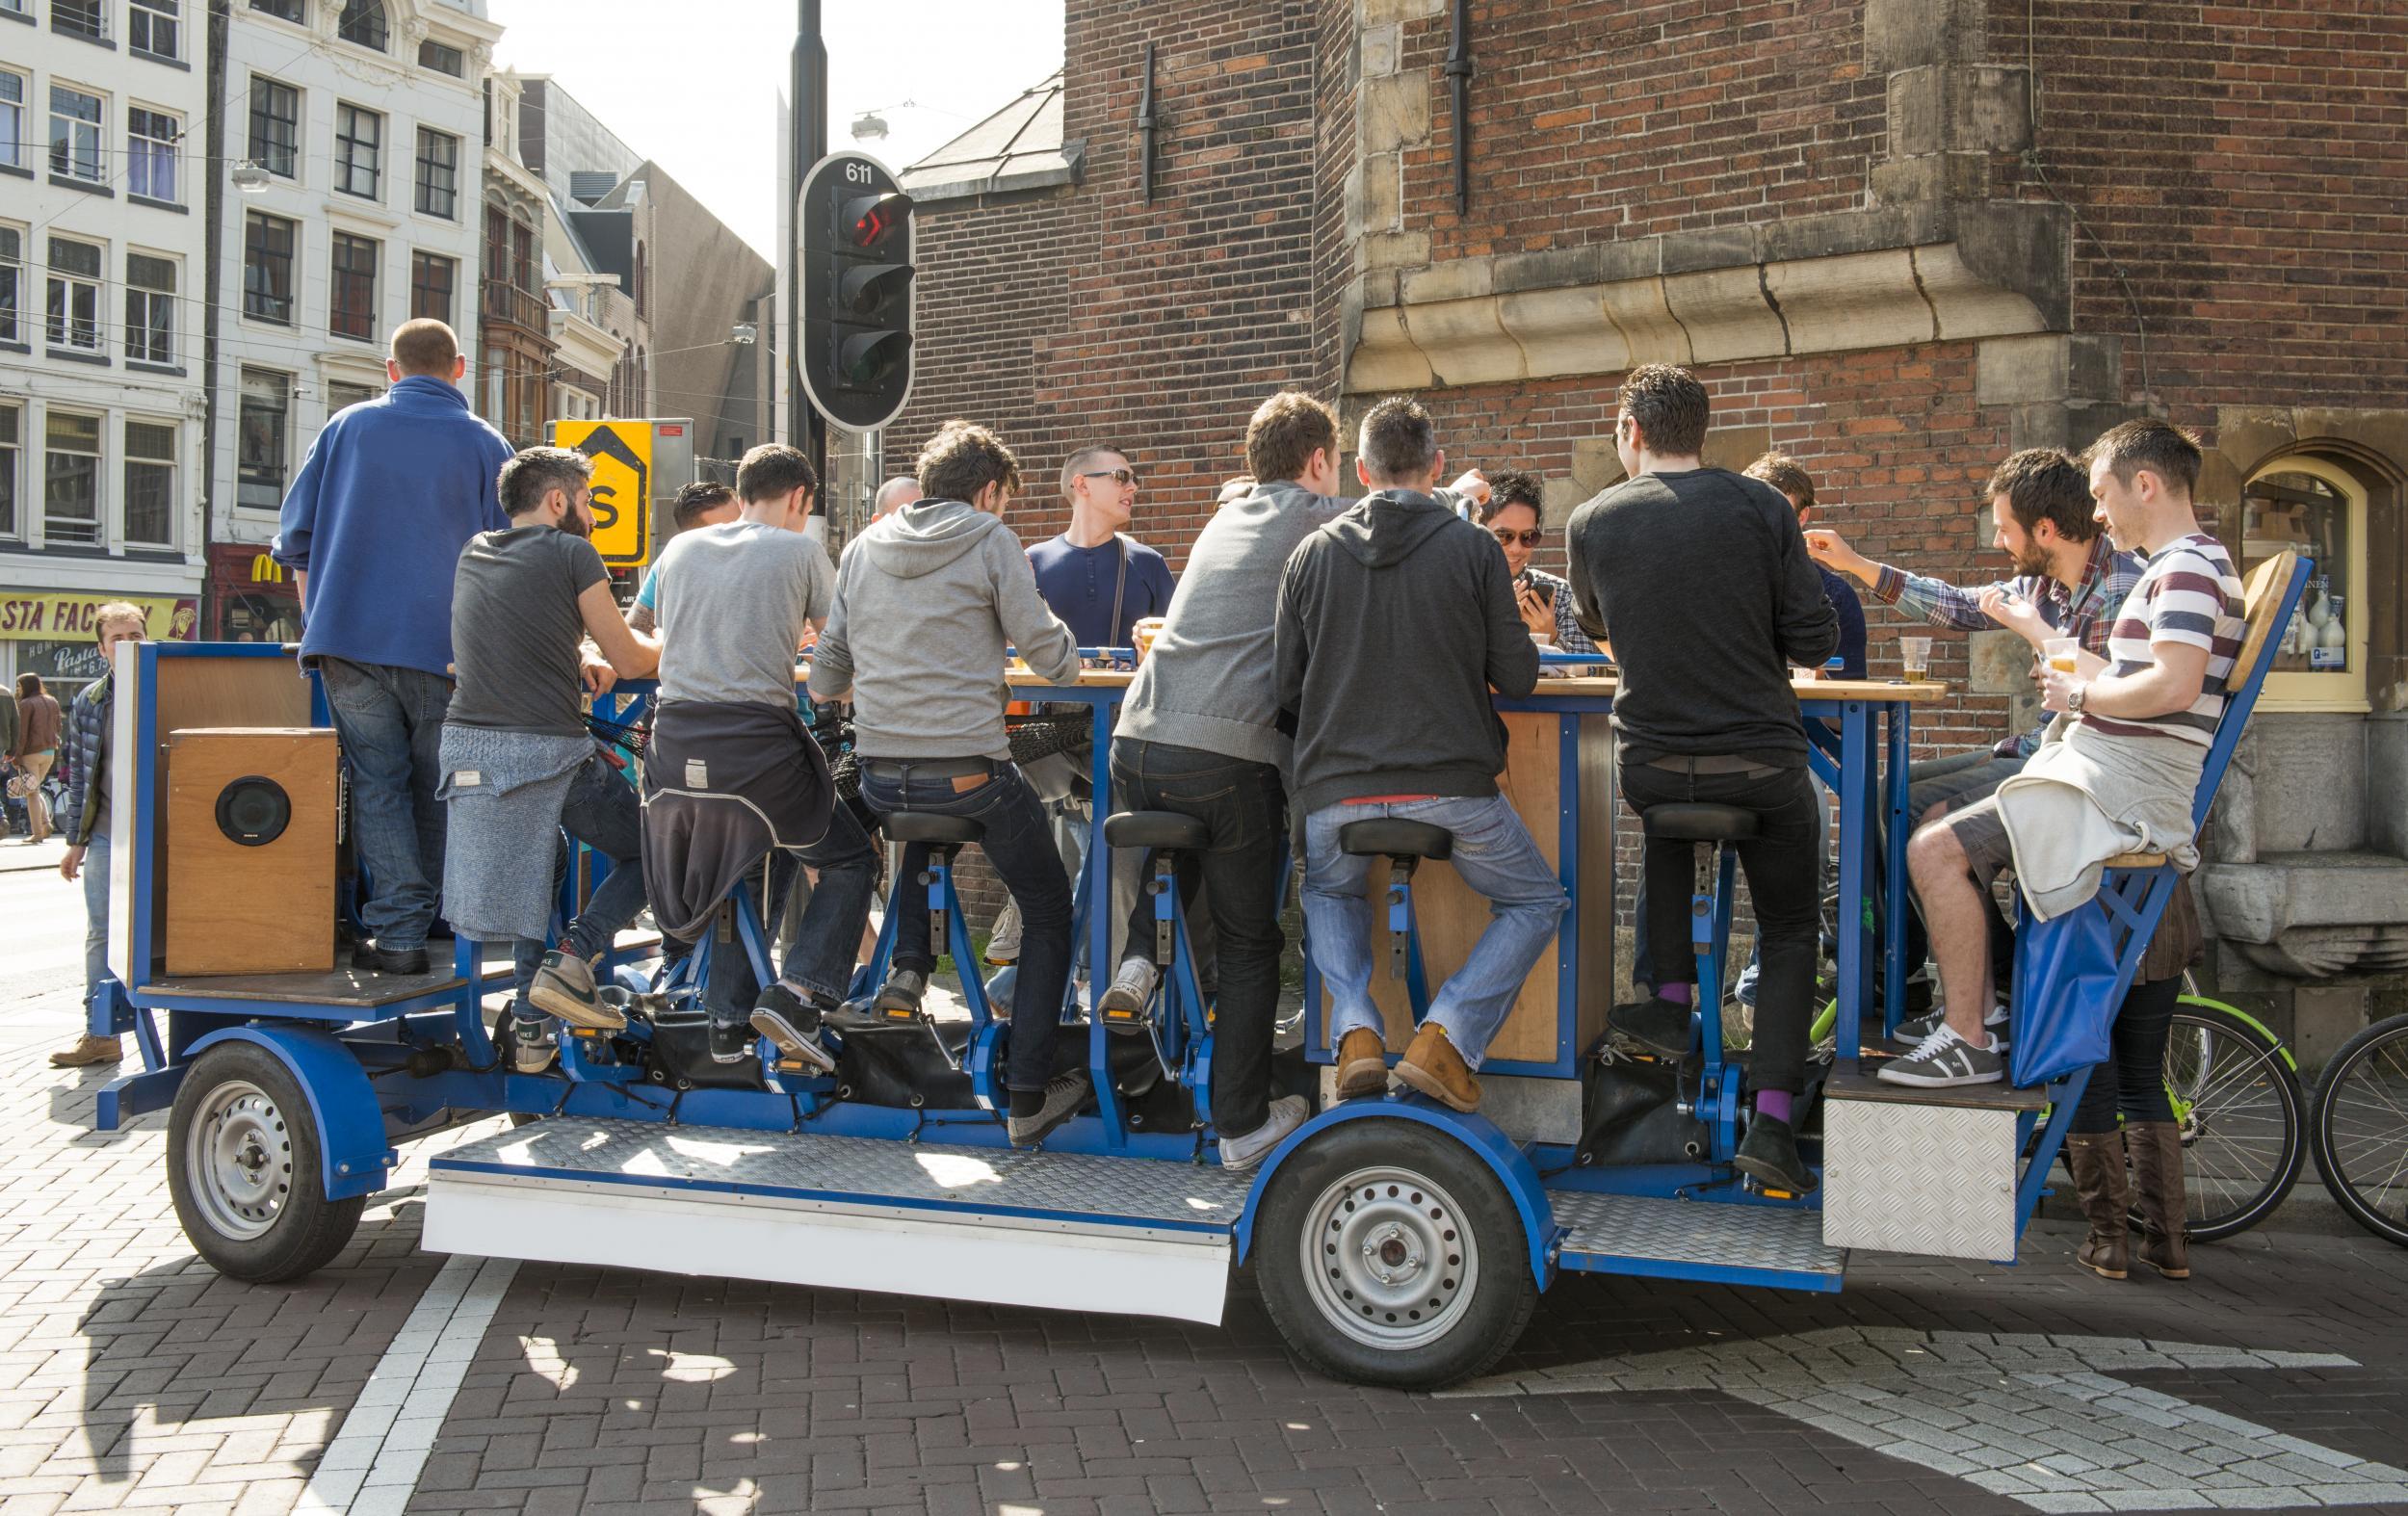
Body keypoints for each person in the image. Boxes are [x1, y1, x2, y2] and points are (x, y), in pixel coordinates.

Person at [1884, 420, 2242, 1091]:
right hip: (2100, 771)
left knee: (1931, 848)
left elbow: (2175, 684)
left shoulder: (2187, 568)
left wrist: (2077, 695)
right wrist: (2078, 680)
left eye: (2104, 495)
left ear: (2146, 485)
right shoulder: (2174, 568)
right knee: (1919, 817)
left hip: (2119, 789)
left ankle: (1969, 1035)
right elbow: (2135, 673)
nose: (2098, 514)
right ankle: (1975, 1013)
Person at [1567, 363, 1837, 1193]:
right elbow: (1815, 639)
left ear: (1630, 431)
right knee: (1790, 930)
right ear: (1701, 432)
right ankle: (1776, 1127)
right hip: (1761, 761)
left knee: (1668, 821)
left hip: (1652, 765)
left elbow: (1598, 626)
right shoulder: (1760, 507)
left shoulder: (1591, 520)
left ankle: (1676, 1003)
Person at [1277, 396, 1565, 1114]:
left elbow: (1284, 688)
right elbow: (1521, 676)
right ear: (1436, 466)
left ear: (1364, 473)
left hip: (1335, 792)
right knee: (1535, 900)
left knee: (1329, 890)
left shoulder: (1310, 553)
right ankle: (1446, 1037)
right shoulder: (1473, 552)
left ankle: (1356, 1033)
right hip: (1451, 787)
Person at [808, 421, 1090, 1147]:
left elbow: (828, 676)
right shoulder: (990, 539)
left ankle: (906, 976)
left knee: (923, 837)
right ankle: (1028, 1091)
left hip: (879, 779)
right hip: (969, 775)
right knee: (1050, 907)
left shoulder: (865, 546)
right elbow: (1053, 660)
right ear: (989, 490)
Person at [1808, 447, 2140, 1035]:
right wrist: (1857, 564)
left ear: (2044, 528)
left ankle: (1994, 984)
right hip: (2039, 745)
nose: (1997, 539)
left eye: (2005, 527)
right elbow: (1959, 605)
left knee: (1927, 815)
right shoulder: (2049, 585)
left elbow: (2118, 693)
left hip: (2075, 764)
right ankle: (1906, 975)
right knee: (1888, 792)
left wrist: (2054, 661)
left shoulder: (2120, 586)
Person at [275, 319, 513, 974]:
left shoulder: (347, 428)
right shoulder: (486, 443)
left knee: (377, 783)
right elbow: (513, 557)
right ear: (458, 368)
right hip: (447, 650)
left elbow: (295, 540)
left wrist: (320, 622)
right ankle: (438, 921)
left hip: (348, 642)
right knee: (440, 784)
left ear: (391, 369)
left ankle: (399, 935)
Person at [648, 445, 882, 1068]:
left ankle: (728, 1023)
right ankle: (800, 991)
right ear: (800, 499)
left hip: (671, 751)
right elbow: (840, 658)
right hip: (755, 751)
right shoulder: (800, 550)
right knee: (850, 859)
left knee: (749, 856)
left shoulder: (678, 550)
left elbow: (647, 629)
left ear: (743, 487)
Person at [438, 447, 661, 1071]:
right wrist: (684, 642)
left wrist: (576, 656)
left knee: (543, 859)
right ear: (558, 501)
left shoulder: (474, 554)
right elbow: (636, 660)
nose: (591, 517)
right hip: (543, 755)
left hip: (469, 758)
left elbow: (514, 634)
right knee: (658, 848)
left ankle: (531, 1025)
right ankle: (572, 961)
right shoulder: (572, 552)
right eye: (587, 502)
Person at [52, 605, 147, 1067]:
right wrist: (77, 841)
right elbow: (81, 776)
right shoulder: (89, 700)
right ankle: (101, 1035)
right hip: (110, 835)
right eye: (118, 638)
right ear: (102, 648)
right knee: (101, 935)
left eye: (136, 634)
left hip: (160, 835)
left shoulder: (166, 683)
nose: (128, 644)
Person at [1027, 446, 1174, 649]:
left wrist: (1145, 660)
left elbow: (1177, 648)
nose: (1133, 487)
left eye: (1134, 479)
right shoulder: (1032, 561)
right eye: (1121, 476)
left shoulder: (1149, 563)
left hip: (1131, 683)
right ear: (1082, 485)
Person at [1476, 471, 1602, 657]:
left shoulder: (1562, 595)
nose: (1516, 548)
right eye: (1503, 536)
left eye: (1528, 537)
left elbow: (1590, 672)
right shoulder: (1463, 591)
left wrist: (1552, 637)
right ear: (1479, 531)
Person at [626, 482, 742, 636]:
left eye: (743, 523)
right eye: (727, 531)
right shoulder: (671, 561)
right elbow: (635, 629)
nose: (744, 533)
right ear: (690, 538)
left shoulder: (765, 557)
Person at [12, 673, 63, 845]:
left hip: (31, 753)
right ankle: (46, 824)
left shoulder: (26, 704)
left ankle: (37, 833)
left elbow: (22, 733)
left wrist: (17, 755)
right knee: (36, 788)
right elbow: (59, 727)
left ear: (26, 686)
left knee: (31, 793)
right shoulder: (52, 700)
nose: (18, 690)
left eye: (19, 686)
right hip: (49, 752)